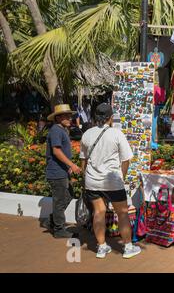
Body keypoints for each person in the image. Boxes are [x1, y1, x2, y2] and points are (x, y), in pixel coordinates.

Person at [80, 103, 141, 259]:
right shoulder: (116, 134)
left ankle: (101, 247)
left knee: (98, 212)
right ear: (111, 117)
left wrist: (85, 179)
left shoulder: (87, 134)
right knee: (122, 213)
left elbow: (83, 161)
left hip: (92, 181)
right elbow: (126, 159)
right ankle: (128, 247)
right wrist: (122, 176)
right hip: (113, 181)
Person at [45, 104, 81, 238]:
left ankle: (53, 221)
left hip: (61, 171)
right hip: (56, 172)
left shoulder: (61, 130)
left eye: (69, 115)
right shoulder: (56, 130)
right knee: (60, 201)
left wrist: (67, 167)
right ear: (58, 118)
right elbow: (56, 151)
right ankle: (59, 229)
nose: (69, 118)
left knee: (68, 195)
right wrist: (71, 165)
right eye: (66, 116)